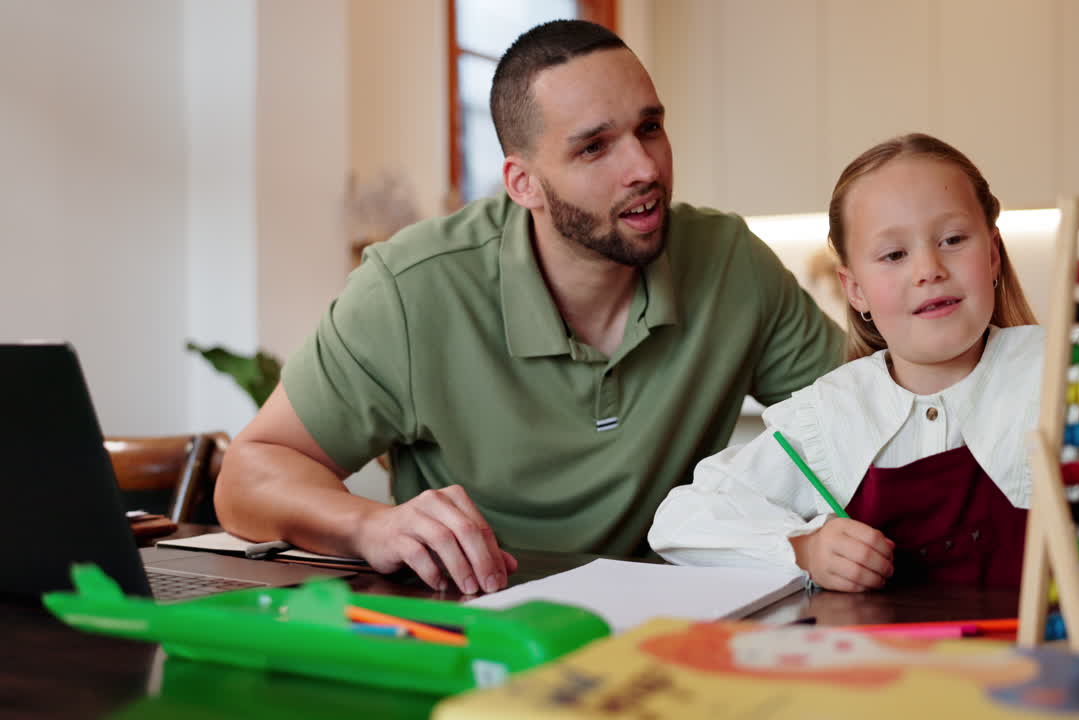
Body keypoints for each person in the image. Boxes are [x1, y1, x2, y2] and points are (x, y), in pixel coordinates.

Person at [213, 20, 844, 595]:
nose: (644, 166)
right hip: (478, 627)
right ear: (523, 184)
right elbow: (249, 473)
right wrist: (370, 526)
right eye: (594, 147)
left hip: (676, 624)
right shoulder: (411, 289)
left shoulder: (731, 260)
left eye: (649, 127)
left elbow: (868, 421)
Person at [648, 133, 1079, 592]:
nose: (927, 268)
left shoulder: (1067, 373)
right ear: (854, 290)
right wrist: (801, 549)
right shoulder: (827, 418)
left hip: (1047, 680)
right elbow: (681, 521)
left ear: (992, 254)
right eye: (892, 253)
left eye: (953, 240)